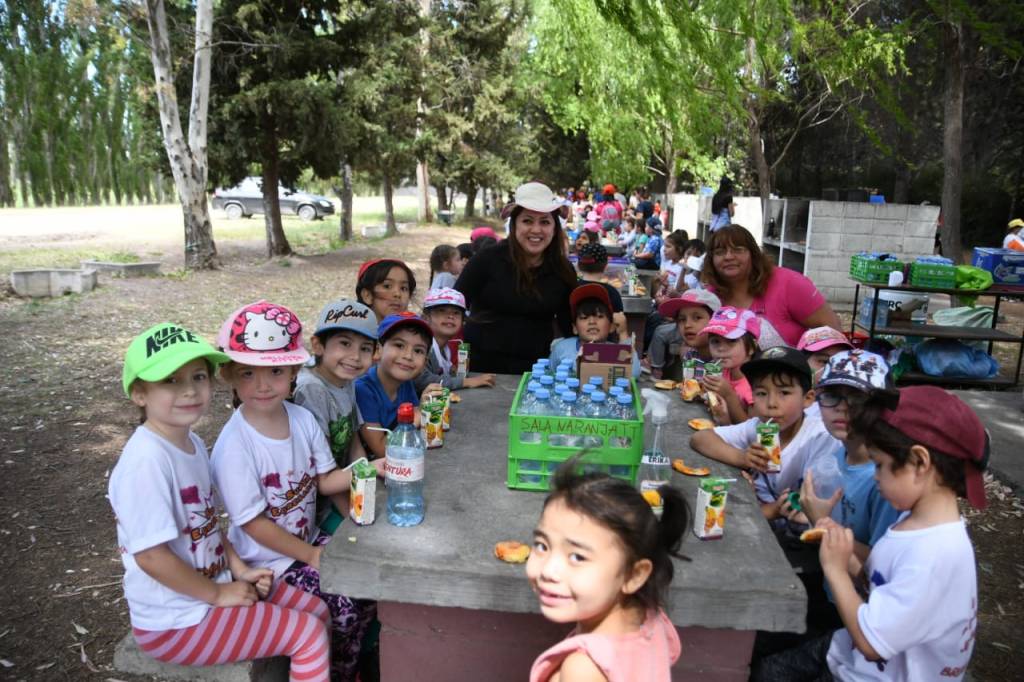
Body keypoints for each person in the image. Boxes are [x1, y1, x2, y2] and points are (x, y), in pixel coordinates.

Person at [110, 323, 331, 679]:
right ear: (139, 394)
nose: (189, 391)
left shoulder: (191, 444)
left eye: (198, 377)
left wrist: (240, 570)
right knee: (308, 634)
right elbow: (151, 556)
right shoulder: (145, 462)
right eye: (170, 380)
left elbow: (207, 525)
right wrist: (217, 593)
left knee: (317, 610)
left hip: (213, 590)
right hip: (176, 621)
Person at [768, 386, 985, 681]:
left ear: (920, 463)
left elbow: (871, 644)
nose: (874, 475)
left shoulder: (935, 554)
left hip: (873, 670)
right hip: (846, 651)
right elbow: (877, 581)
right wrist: (835, 539)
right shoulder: (912, 522)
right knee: (765, 671)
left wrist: (836, 571)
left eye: (879, 465)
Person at [211, 301, 376, 681]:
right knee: (345, 606)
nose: (264, 384)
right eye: (248, 373)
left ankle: (347, 667)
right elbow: (252, 524)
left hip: (305, 541)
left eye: (276, 371)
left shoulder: (301, 419)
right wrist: (312, 555)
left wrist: (361, 494)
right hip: (267, 562)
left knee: (367, 591)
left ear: (293, 371)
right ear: (229, 375)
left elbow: (327, 477)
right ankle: (329, 671)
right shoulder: (234, 446)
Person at [526, 464, 686, 682]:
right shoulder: (648, 616)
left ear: (635, 575)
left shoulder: (583, 668)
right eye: (542, 545)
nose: (548, 571)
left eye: (577, 557)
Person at [691, 347, 838, 524]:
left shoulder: (819, 438)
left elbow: (812, 507)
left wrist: (771, 510)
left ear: (807, 399)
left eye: (784, 393)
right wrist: (743, 458)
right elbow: (700, 438)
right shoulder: (757, 426)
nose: (771, 404)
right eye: (761, 393)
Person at [455, 182, 577, 374]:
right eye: (527, 221)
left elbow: (570, 324)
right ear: (514, 224)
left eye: (544, 222)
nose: (536, 230)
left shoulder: (563, 270)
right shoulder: (487, 259)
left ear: (554, 228)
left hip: (536, 372)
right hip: (479, 370)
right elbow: (455, 303)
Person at [797, 350, 900, 553]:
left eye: (857, 398)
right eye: (831, 396)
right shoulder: (836, 459)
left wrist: (821, 524)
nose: (842, 408)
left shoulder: (884, 480)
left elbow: (880, 566)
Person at [293, 299, 377, 523]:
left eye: (365, 348)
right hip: (316, 507)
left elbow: (353, 441)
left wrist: (364, 489)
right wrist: (351, 515)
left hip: (343, 486)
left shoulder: (345, 376)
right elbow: (322, 475)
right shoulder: (311, 389)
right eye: (345, 343)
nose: (356, 357)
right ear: (318, 345)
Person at [703, 224, 842, 347]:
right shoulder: (708, 298)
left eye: (737, 250)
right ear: (711, 260)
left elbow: (833, 331)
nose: (728, 257)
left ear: (753, 254)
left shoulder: (789, 283)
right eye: (720, 252)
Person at [356, 312, 442, 458]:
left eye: (418, 351)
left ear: (425, 361)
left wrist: (424, 406)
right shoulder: (363, 390)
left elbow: (416, 414)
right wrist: (417, 416)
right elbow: (381, 450)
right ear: (378, 350)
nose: (408, 356)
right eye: (399, 345)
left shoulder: (405, 382)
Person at [548, 283, 641, 377]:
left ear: (611, 326)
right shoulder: (562, 348)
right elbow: (549, 374)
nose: (592, 322)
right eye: (584, 317)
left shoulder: (616, 352)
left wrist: (623, 333)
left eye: (600, 316)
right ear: (575, 328)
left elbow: (633, 375)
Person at [414, 288, 496, 392]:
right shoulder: (421, 346)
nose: (450, 316)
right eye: (442, 311)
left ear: (463, 321)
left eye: (456, 313)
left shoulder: (444, 349)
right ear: (426, 317)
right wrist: (467, 382)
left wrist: (451, 371)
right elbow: (422, 380)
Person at [700, 306, 760, 425]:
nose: (721, 349)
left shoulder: (757, 385)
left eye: (731, 341)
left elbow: (750, 429)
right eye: (715, 341)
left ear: (752, 348)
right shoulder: (723, 371)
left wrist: (728, 395)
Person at [647, 289, 721, 380]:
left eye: (697, 318)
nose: (687, 325)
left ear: (715, 322)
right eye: (682, 319)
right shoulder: (690, 356)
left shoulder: (725, 361)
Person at [576, 242, 627, 337]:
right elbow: (618, 321)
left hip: (575, 342)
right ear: (605, 266)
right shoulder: (612, 292)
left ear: (578, 266)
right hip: (605, 344)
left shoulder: (571, 288)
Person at [355, 258, 416, 325]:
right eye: (387, 286)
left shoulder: (416, 332)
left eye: (403, 288)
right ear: (367, 295)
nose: (398, 294)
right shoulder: (352, 332)